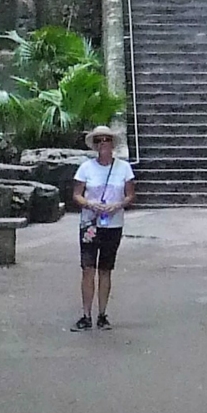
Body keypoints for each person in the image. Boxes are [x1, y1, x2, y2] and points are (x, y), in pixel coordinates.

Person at [71, 125, 134, 330]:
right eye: (98, 141)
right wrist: (90, 204)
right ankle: (86, 314)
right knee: (88, 268)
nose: (102, 144)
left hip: (112, 223)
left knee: (105, 269)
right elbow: (77, 194)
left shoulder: (123, 168)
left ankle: (102, 314)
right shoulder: (86, 168)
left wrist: (117, 205)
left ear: (112, 143)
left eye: (106, 140)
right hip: (90, 222)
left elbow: (130, 195)